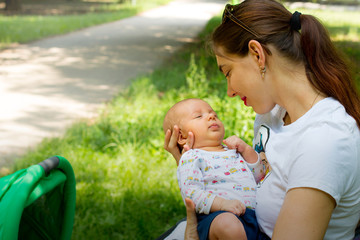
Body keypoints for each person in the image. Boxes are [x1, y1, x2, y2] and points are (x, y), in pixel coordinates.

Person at [161, 0, 360, 239]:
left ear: (257, 55)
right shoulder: (272, 115)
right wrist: (193, 163)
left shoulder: (324, 141)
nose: (229, 91)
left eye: (228, 72)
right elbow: (257, 178)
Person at [163, 98, 266, 240]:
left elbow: (260, 177)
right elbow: (191, 193)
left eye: (214, 114)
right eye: (199, 116)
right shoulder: (191, 157)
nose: (211, 116)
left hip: (252, 218)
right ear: (181, 136)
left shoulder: (233, 151)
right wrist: (222, 204)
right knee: (228, 225)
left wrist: (247, 150)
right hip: (215, 216)